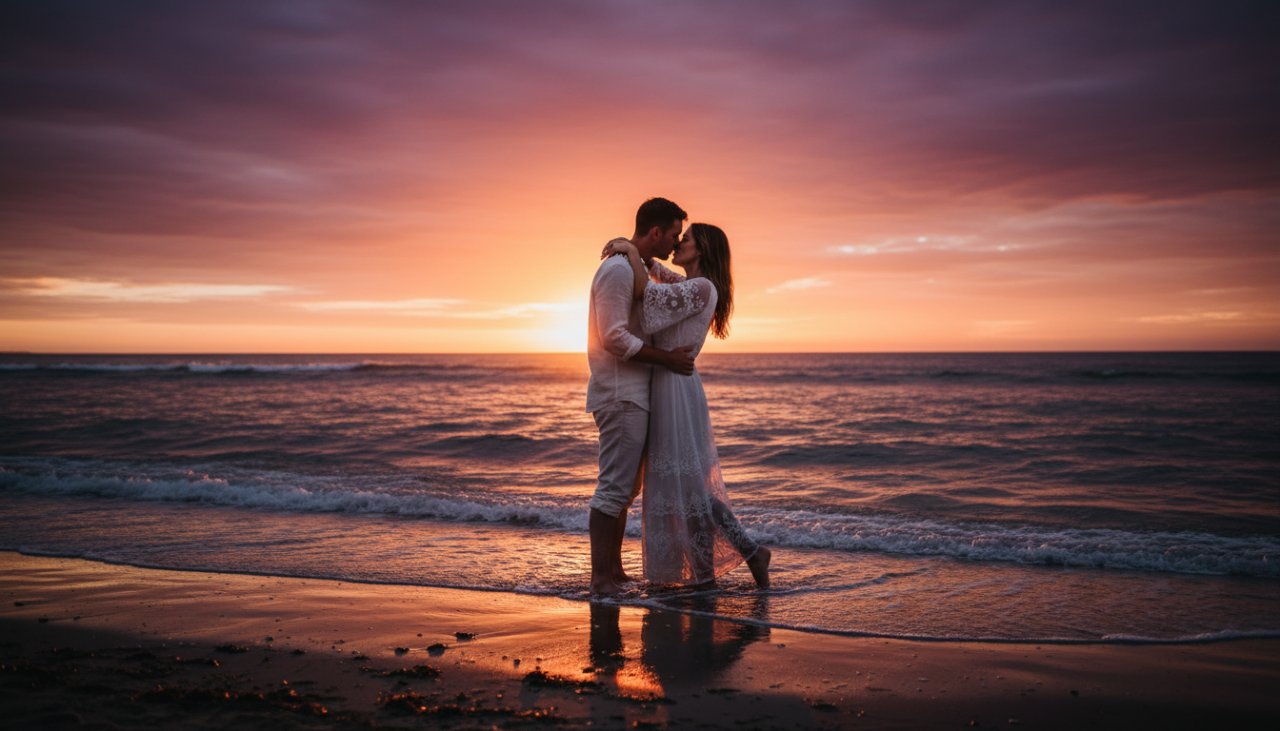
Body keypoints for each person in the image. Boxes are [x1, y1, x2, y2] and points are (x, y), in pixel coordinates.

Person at [602, 223, 771, 588]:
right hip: (669, 384)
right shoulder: (690, 285)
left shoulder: (702, 287)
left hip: (675, 388)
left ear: (703, 248)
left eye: (687, 238)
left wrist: (632, 254)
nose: (679, 243)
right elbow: (657, 274)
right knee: (689, 487)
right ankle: (736, 559)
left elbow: (647, 307)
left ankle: (717, 569)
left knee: (692, 488)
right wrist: (635, 250)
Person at [586, 197, 696, 596]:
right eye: (672, 234)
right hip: (619, 394)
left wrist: (634, 250)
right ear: (655, 232)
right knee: (613, 488)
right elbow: (612, 336)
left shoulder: (638, 265)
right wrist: (666, 359)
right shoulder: (617, 269)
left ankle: (614, 574)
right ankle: (600, 579)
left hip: (634, 394)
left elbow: (681, 284)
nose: (674, 242)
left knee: (626, 490)